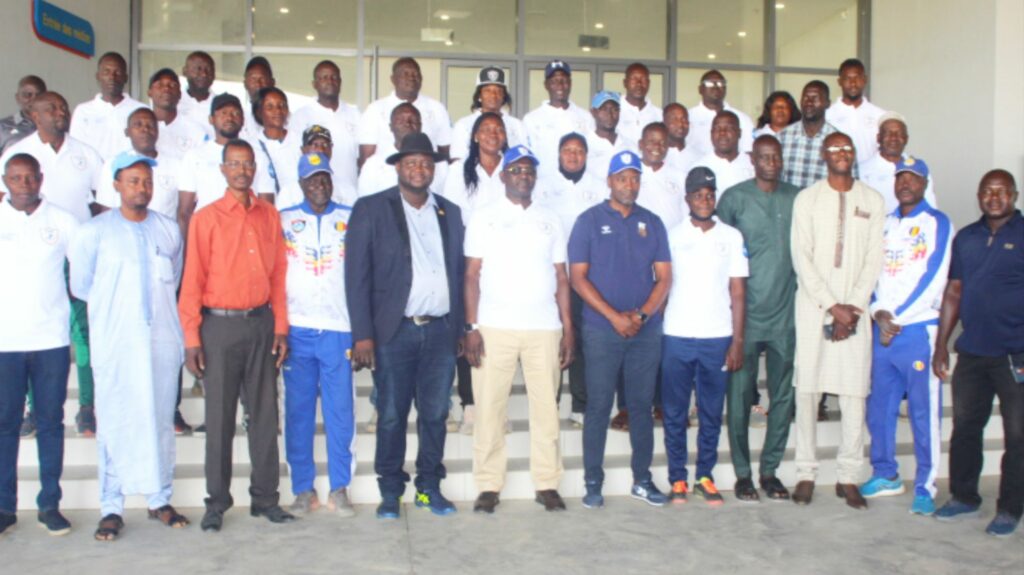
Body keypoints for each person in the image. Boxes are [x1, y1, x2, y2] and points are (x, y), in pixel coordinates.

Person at [69, 151, 189, 541]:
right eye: (134, 181)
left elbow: (174, 277)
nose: (142, 188)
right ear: (116, 185)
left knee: (159, 420)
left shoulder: (168, 230)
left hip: (161, 342)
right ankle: (111, 507)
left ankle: (159, 499)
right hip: (117, 343)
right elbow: (81, 286)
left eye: (147, 182)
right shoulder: (94, 232)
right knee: (115, 422)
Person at [345, 132, 465, 519]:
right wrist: (363, 335)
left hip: (440, 331)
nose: (419, 169)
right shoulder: (371, 208)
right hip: (394, 332)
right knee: (392, 414)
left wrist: (461, 328)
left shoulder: (450, 212)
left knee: (435, 414)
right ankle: (391, 492)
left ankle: (429, 488)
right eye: (411, 162)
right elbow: (356, 277)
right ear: (398, 166)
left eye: (426, 163)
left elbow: (459, 274)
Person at [178, 139, 294, 532]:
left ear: (255, 169)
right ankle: (216, 503)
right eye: (234, 164)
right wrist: (192, 338)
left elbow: (278, 275)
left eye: (248, 164)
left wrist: (281, 328)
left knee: (264, 415)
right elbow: (192, 281)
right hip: (219, 328)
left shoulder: (269, 216)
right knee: (220, 418)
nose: (242, 170)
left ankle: (265, 498)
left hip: (261, 324)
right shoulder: (206, 218)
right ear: (223, 170)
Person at [464, 145, 573, 514]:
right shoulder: (484, 217)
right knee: (490, 409)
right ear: (503, 176)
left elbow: (561, 277)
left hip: (544, 327)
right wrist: (471, 327)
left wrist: (568, 328)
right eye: (516, 170)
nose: (523, 175)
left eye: (529, 170)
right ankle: (488, 484)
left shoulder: (550, 218)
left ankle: (546, 483)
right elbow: (471, 275)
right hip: (494, 327)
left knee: (546, 410)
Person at [569, 151, 672, 509]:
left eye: (635, 178)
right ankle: (592, 482)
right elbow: (577, 278)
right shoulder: (588, 221)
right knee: (598, 406)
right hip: (601, 330)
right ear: (610, 181)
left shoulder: (652, 222)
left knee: (641, 407)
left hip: (644, 332)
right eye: (623, 178)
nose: (630, 184)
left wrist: (640, 316)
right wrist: (614, 317)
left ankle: (642, 480)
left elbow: (665, 278)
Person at [790, 132, 885, 509]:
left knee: (854, 393)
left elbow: (874, 260)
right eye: (834, 149)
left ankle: (848, 476)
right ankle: (806, 473)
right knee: (807, 392)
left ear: (854, 154)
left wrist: (853, 308)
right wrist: (833, 306)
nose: (841, 153)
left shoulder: (872, 200)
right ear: (823, 155)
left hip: (856, 312)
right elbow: (802, 259)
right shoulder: (807, 199)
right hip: (814, 307)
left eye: (847, 148)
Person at [0, 91, 103, 436]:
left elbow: (102, 204)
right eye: (51, 108)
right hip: (36, 260)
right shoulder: (18, 152)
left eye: (63, 106)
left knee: (84, 334)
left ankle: (87, 407)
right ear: (34, 114)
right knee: (34, 334)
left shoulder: (86, 154)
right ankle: (32, 408)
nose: (60, 111)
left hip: (77, 255)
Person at [932, 169, 1023, 537]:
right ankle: (964, 496)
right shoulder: (967, 238)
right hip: (972, 353)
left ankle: (1010, 508)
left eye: (1001, 191)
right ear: (979, 196)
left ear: (1014, 195)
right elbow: (954, 291)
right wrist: (941, 344)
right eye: (987, 191)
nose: (994, 197)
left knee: (1018, 436)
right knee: (966, 428)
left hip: (1016, 355)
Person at [859, 157, 951, 516]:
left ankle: (925, 486)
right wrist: (876, 312)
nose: (905, 184)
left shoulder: (937, 222)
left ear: (925, 184)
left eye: (912, 178)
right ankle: (885, 474)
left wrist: (893, 318)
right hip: (884, 331)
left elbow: (935, 278)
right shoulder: (885, 224)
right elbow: (871, 273)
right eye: (900, 178)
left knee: (923, 412)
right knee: (879, 407)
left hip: (917, 331)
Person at [716, 135, 800, 502]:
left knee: (782, 397)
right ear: (752, 159)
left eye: (775, 157)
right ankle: (742, 474)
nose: (770, 163)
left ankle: (770, 471)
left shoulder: (797, 198)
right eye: (763, 157)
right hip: (745, 320)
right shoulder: (734, 198)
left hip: (785, 317)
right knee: (739, 398)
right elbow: (718, 252)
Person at [0, 153, 79, 536]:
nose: (24, 184)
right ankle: (4, 506)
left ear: (41, 179)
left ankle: (50, 504)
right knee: (5, 425)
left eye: (30, 177)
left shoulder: (63, 221)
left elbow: (83, 272)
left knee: (50, 423)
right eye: (16, 178)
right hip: (5, 342)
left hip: (50, 341)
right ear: (5, 181)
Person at [661, 166, 748, 506]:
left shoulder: (732, 237)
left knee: (711, 412)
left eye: (710, 195)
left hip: (717, 337)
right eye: (698, 195)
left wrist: (737, 341)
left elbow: (738, 292)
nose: (704, 200)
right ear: (687, 199)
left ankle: (704, 476)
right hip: (677, 334)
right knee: (675, 412)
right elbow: (663, 286)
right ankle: (677, 478)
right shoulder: (672, 236)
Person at [279, 153, 357, 518]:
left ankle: (340, 487)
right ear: (301, 184)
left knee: (340, 412)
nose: (319, 185)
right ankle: (303, 489)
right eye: (312, 179)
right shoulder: (283, 220)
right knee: (298, 413)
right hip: (297, 329)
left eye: (324, 177)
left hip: (339, 329)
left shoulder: (351, 217)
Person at [533, 132, 606, 427]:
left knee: (580, 338)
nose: (573, 156)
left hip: (586, 277)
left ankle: (580, 404)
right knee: (553, 339)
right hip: (550, 275)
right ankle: (549, 403)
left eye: (579, 150)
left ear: (586, 155)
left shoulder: (599, 187)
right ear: (559, 154)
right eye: (567, 150)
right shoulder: (543, 185)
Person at [177, 93, 273, 237]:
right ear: (211, 119)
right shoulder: (194, 156)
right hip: (207, 233)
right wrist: (188, 248)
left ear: (243, 120)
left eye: (235, 113)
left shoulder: (258, 156)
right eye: (223, 113)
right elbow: (184, 212)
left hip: (247, 233)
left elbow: (267, 208)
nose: (229, 118)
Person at [358, 58, 452, 166]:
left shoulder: (436, 108)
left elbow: (445, 151)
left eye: (415, 74)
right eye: (405, 74)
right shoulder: (375, 110)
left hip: (425, 174)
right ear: (393, 79)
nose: (411, 78)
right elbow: (366, 156)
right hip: (385, 174)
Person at [290, 60, 361, 201]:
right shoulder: (301, 116)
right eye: (324, 77)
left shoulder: (355, 114)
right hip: (315, 194)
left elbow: (361, 158)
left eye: (334, 77)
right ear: (314, 84)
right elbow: (296, 158)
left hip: (349, 194)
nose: (330, 81)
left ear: (340, 82)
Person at [97, 108, 180, 220]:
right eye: (138, 125)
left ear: (158, 131)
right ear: (127, 132)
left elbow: (184, 210)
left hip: (163, 230)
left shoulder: (177, 165)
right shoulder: (112, 164)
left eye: (150, 125)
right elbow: (106, 210)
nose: (145, 129)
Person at [523, 60, 595, 178]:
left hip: (577, 184)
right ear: (546, 85)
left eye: (564, 81)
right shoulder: (531, 119)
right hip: (544, 184)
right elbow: (527, 158)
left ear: (570, 83)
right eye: (554, 81)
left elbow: (591, 154)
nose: (560, 85)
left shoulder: (585, 117)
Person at [69, 52, 146, 162]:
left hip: (131, 171)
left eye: (117, 72)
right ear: (98, 76)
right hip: (94, 172)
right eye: (106, 72)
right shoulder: (83, 111)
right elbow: (76, 149)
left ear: (125, 78)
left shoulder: (141, 110)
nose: (112, 77)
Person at [359, 103, 446, 199]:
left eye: (413, 120)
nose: (408, 124)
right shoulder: (373, 164)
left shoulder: (441, 165)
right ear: (391, 127)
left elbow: (445, 202)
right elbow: (366, 202)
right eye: (401, 121)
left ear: (420, 126)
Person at [859, 113, 938, 214]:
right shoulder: (862, 170)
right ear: (878, 138)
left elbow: (931, 208)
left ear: (906, 139)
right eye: (888, 133)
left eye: (899, 133)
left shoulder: (918, 169)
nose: (894, 137)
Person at [450, 66, 526, 162]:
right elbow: (457, 160)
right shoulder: (463, 125)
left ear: (504, 96)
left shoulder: (517, 125)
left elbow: (524, 158)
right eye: (487, 90)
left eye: (498, 91)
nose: (493, 95)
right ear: (479, 95)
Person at [779, 80, 845, 190]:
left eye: (815, 98)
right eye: (805, 98)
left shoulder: (839, 143)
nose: (809, 102)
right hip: (789, 201)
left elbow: (848, 183)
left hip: (824, 201)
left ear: (827, 103)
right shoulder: (782, 137)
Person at [825, 58, 886, 166]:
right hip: (838, 174)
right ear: (839, 82)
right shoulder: (827, 115)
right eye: (847, 78)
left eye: (857, 78)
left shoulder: (880, 115)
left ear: (865, 79)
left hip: (870, 175)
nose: (853, 83)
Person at [251, 87, 303, 207]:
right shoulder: (252, 146)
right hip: (267, 210)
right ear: (259, 112)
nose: (278, 111)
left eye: (282, 105)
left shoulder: (301, 141)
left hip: (299, 211)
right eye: (270, 107)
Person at [686, 70, 755, 157]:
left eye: (720, 83)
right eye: (709, 83)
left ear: (725, 89)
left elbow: (749, 150)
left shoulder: (742, 118)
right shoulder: (688, 117)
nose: (715, 87)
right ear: (700, 89)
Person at [636, 122, 686, 231]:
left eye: (662, 143)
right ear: (641, 144)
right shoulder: (631, 174)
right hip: (639, 237)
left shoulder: (679, 176)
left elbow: (685, 212)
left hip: (672, 238)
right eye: (651, 141)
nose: (657, 146)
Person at [147, 68, 206, 162]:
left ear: (180, 94)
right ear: (149, 92)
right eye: (160, 85)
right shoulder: (142, 129)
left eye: (172, 85)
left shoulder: (195, 131)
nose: (166, 88)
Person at [692, 111, 754, 192]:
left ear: (739, 133)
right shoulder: (699, 168)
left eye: (729, 128)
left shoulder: (753, 164)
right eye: (717, 128)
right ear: (711, 134)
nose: (722, 133)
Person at [585, 91, 637, 181]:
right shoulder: (584, 145)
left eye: (614, 110)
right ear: (593, 112)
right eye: (604, 109)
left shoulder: (630, 146)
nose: (609, 114)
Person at [0, 75, 46, 155]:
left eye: (39, 95)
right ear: (18, 98)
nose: (34, 99)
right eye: (28, 94)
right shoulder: (2, 127)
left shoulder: (54, 126)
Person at [618, 63, 663, 143]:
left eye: (643, 79)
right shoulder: (614, 112)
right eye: (634, 79)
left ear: (649, 83)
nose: (639, 83)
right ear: (625, 83)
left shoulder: (659, 115)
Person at [178, 51, 217, 138]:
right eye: (198, 69)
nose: (204, 74)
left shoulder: (221, 106)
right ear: (185, 71)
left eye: (208, 70)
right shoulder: (175, 103)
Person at [240, 56, 277, 141]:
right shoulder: (240, 116)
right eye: (253, 79)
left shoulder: (283, 116)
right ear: (245, 84)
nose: (258, 84)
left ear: (272, 82)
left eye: (263, 79)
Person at [663, 103, 700, 176]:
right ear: (663, 123)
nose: (680, 124)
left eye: (684, 119)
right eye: (674, 119)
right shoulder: (658, 155)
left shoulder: (698, 157)